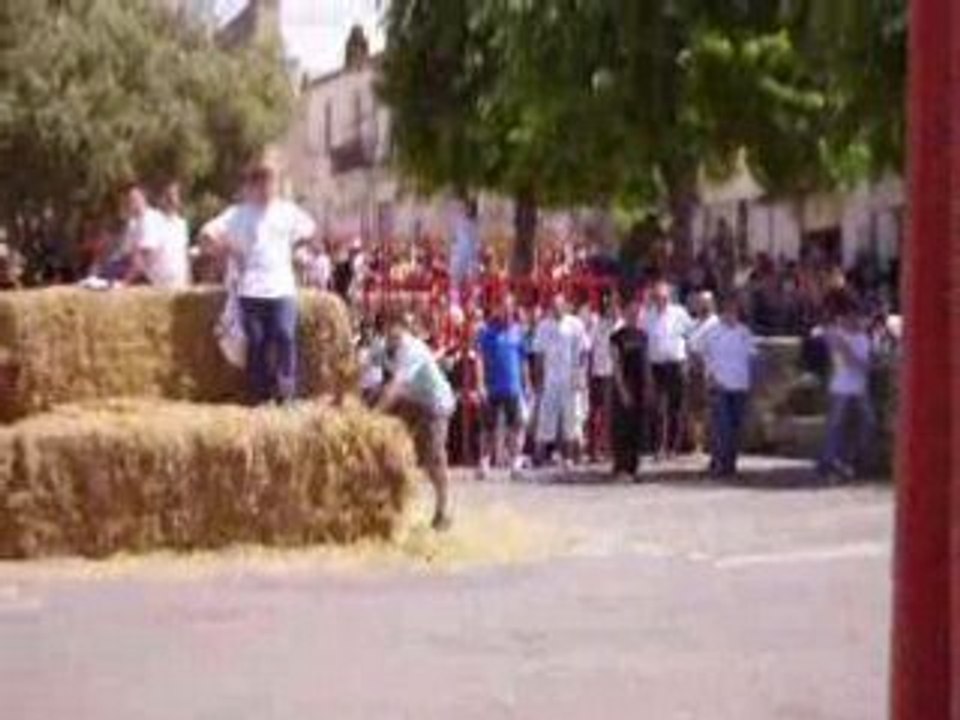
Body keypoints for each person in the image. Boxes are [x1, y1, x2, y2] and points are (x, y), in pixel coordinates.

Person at [201, 159, 317, 405]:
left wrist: (298, 250)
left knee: (285, 336)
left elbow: (311, 231)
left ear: (275, 184)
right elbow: (206, 236)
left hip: (282, 287)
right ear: (251, 185)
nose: (266, 188)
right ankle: (259, 397)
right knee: (256, 343)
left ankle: (287, 394)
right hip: (250, 289)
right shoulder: (237, 214)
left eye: (270, 182)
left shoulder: (288, 211)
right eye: (260, 182)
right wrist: (229, 249)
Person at [378, 312, 457, 530]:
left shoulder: (411, 349)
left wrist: (372, 415)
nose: (392, 331)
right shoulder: (382, 346)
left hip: (435, 403)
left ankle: (443, 509)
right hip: (411, 400)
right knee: (388, 446)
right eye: (387, 327)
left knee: (434, 456)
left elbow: (396, 387)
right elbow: (362, 367)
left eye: (397, 327)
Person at [692, 294, 757, 479]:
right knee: (723, 428)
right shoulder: (712, 332)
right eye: (728, 310)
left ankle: (729, 466)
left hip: (740, 386)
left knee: (735, 429)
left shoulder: (744, 332)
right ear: (722, 312)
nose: (732, 314)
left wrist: (752, 381)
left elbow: (753, 358)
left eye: (735, 311)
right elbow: (695, 351)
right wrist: (708, 375)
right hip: (719, 386)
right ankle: (719, 464)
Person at [817, 302, 876, 481]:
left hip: (860, 388)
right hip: (841, 387)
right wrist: (854, 357)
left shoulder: (864, 338)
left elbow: (865, 363)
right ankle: (828, 462)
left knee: (869, 424)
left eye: (856, 318)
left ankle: (850, 461)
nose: (853, 321)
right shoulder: (836, 335)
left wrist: (859, 361)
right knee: (835, 426)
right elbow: (850, 361)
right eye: (849, 318)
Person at [475, 294, 530, 479]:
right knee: (487, 428)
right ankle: (484, 463)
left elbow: (523, 361)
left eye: (509, 308)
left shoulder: (518, 332)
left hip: (513, 387)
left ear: (513, 309)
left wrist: (527, 383)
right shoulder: (486, 332)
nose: (506, 312)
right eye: (503, 308)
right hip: (492, 387)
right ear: (498, 309)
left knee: (516, 426)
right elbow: (479, 360)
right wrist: (480, 384)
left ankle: (515, 463)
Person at [532, 293, 590, 468]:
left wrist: (580, 374)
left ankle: (571, 456)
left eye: (560, 306)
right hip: (551, 378)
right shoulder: (543, 325)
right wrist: (538, 378)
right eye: (553, 306)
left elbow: (583, 351)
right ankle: (540, 456)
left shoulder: (575, 324)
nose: (556, 309)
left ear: (565, 306)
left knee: (572, 417)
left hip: (570, 377)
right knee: (546, 416)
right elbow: (539, 354)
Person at [643, 280, 694, 458]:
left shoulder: (679, 313)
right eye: (657, 297)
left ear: (669, 297)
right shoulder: (647, 316)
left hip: (675, 363)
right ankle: (658, 447)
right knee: (657, 409)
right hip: (656, 366)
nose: (660, 300)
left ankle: (672, 448)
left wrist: (687, 360)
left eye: (664, 297)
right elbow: (645, 345)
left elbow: (690, 334)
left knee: (675, 408)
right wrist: (647, 371)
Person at [609, 294, 651, 481]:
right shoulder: (616, 337)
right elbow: (616, 365)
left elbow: (647, 361)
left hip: (641, 386)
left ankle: (634, 468)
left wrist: (650, 385)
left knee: (637, 426)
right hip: (624, 386)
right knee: (622, 427)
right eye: (630, 313)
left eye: (637, 313)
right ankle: (621, 467)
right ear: (624, 314)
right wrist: (622, 390)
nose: (634, 316)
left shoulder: (643, 336)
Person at [123, 181, 190, 289]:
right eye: (168, 195)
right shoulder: (151, 219)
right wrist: (124, 283)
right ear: (161, 197)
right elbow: (142, 258)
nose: (172, 200)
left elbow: (184, 257)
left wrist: (188, 282)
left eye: (175, 196)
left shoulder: (182, 224)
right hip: (158, 287)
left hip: (179, 285)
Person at [687, 291, 719, 456]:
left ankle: (710, 443)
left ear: (712, 304)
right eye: (700, 302)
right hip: (694, 370)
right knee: (695, 409)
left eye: (706, 302)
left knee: (709, 409)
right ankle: (697, 444)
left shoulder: (716, 323)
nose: (703, 306)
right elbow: (689, 345)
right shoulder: (694, 324)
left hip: (710, 370)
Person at [587, 295, 617, 462]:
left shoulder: (621, 326)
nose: (611, 309)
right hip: (598, 373)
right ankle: (594, 449)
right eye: (608, 306)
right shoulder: (597, 325)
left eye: (613, 306)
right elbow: (590, 349)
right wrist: (589, 373)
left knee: (610, 415)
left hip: (613, 375)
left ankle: (608, 448)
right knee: (595, 414)